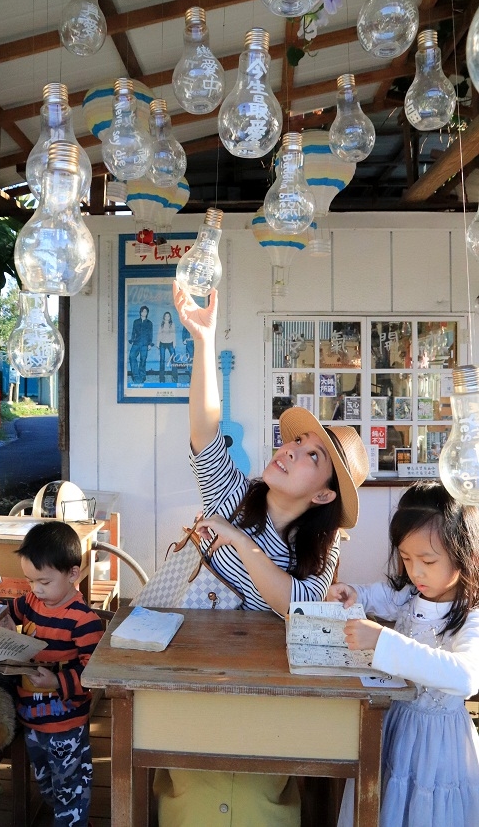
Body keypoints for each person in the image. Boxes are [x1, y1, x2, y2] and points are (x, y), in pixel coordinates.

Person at [153, 283, 370, 827]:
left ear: (324, 494)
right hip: (191, 674)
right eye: (294, 442)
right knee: (188, 783)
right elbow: (205, 429)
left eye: (311, 455)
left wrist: (240, 541)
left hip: (267, 689)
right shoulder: (233, 493)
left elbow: (292, 603)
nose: (291, 449)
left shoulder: (320, 549)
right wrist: (203, 341)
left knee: (256, 794)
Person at [327, 481, 479, 827]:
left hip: (439, 749)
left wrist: (384, 642)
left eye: (428, 560)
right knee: (385, 809)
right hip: (393, 730)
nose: (416, 571)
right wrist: (350, 594)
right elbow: (371, 595)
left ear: (466, 554)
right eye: (407, 558)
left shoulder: (471, 615)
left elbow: (467, 676)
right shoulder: (408, 594)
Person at [6, 521, 104, 827]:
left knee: (71, 786)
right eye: (29, 580)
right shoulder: (33, 601)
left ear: (73, 573)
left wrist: (57, 682)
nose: (36, 588)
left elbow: (92, 671)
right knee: (46, 782)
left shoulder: (83, 620)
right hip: (32, 717)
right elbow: (9, 609)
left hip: (66, 722)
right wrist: (4, 620)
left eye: (44, 582)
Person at [129, 304, 153, 385]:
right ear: (140, 312)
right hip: (136, 342)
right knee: (132, 356)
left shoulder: (149, 323)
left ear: (147, 313)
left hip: (145, 344)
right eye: (143, 311)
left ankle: (142, 376)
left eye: (145, 311)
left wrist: (149, 344)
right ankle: (135, 375)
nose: (144, 312)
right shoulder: (136, 322)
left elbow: (150, 334)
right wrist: (132, 340)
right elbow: (133, 332)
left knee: (143, 359)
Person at [157, 310, 176, 382]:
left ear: (170, 317)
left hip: (170, 343)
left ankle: (174, 378)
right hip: (162, 343)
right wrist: (157, 343)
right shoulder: (161, 324)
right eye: (166, 316)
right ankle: (161, 378)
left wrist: (174, 343)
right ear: (164, 317)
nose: (167, 317)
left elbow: (174, 334)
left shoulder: (172, 324)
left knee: (173, 360)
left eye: (168, 316)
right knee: (162, 360)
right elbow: (159, 334)